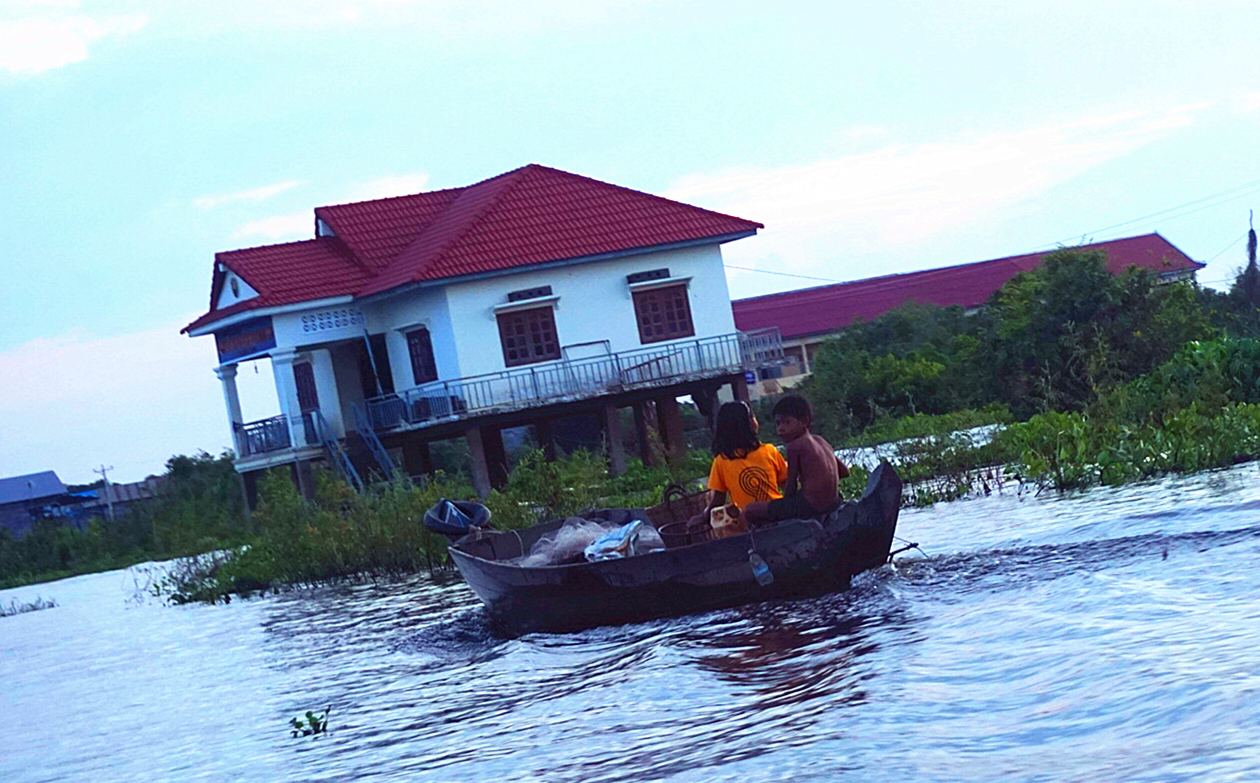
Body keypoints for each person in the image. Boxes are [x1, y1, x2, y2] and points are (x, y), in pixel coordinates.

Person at [745, 395, 849, 526]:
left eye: (786, 422)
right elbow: (844, 472)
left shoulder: (795, 446)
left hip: (812, 507)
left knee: (750, 510)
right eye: (778, 423)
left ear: (804, 421)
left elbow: (791, 486)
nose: (781, 428)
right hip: (835, 502)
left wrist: (783, 508)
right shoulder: (821, 441)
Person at [695, 401, 788, 524]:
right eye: (753, 417)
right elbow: (787, 485)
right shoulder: (769, 451)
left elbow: (718, 499)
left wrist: (702, 517)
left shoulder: (721, 461)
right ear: (748, 423)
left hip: (748, 523)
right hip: (777, 516)